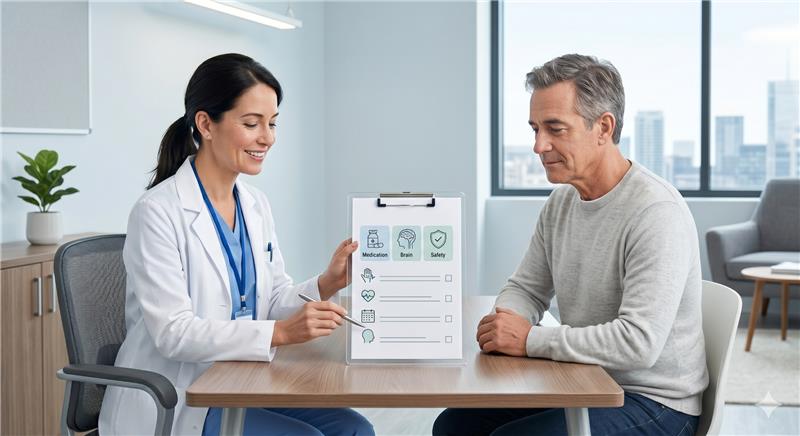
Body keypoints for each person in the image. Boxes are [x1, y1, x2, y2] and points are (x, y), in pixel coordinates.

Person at [99, 53, 374, 436]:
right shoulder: (157, 212)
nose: (267, 138)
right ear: (205, 124)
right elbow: (173, 333)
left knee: (355, 429)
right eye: (251, 123)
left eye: (272, 123)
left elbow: (271, 299)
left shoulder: (255, 204)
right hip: (184, 397)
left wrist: (328, 282)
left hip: (243, 377)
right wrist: (280, 333)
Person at [434, 54, 708, 436]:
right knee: (454, 425)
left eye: (555, 129)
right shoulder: (562, 202)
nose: (538, 145)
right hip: (584, 378)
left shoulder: (656, 212)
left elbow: (638, 343)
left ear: (603, 128)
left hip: (655, 402)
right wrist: (506, 322)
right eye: (535, 129)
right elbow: (527, 288)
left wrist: (528, 339)